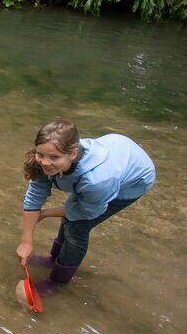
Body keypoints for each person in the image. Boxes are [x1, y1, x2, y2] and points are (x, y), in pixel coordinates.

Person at [16, 120, 155, 297]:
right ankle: (54, 259)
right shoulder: (47, 156)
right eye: (40, 154)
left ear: (73, 153)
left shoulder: (97, 180)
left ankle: (58, 281)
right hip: (118, 148)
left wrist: (46, 213)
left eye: (54, 158)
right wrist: (27, 241)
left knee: (78, 226)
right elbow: (35, 196)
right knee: (71, 214)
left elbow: (85, 212)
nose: (45, 162)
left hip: (135, 179)